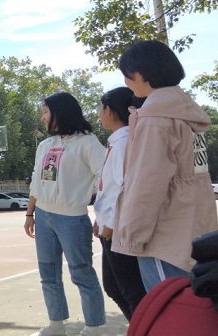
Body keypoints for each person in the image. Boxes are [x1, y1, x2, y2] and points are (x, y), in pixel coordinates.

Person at [112, 40, 218, 291]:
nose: (126, 81)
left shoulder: (155, 119)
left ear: (141, 74)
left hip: (164, 237)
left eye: (127, 75)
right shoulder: (185, 113)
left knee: (167, 307)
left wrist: (132, 238)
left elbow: (146, 184)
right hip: (195, 230)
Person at [24, 92, 107, 336]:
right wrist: (30, 214)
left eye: (45, 112)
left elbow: (107, 178)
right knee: (48, 274)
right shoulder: (45, 145)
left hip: (72, 218)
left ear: (60, 112)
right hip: (43, 215)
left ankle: (93, 328)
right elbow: (36, 181)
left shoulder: (87, 143)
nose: (42, 118)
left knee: (81, 273)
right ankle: (56, 325)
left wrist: (101, 214)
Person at [92, 87, 146, 321]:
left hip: (118, 231)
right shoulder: (117, 141)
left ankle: (144, 328)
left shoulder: (124, 143)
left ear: (110, 111)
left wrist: (111, 224)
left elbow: (126, 190)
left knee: (132, 291)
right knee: (114, 287)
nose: (99, 113)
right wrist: (100, 219)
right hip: (109, 228)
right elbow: (109, 188)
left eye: (100, 108)